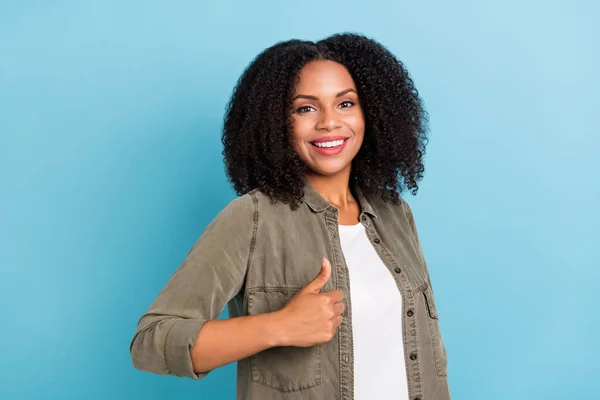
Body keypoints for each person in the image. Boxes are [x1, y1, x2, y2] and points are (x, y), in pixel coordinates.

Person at [130, 32, 450, 400]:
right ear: (277, 123)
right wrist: (279, 326)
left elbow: (430, 357)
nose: (330, 122)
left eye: (346, 104)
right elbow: (151, 343)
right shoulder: (252, 217)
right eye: (306, 108)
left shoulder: (395, 213)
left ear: (372, 113)